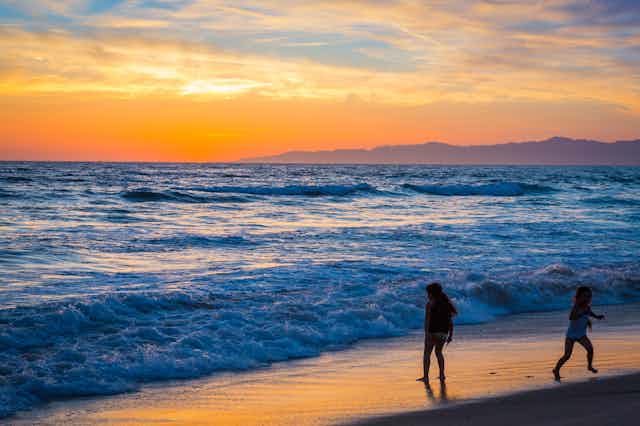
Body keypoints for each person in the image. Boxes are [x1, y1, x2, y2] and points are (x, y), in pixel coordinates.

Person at [553, 286, 605, 380]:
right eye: (584, 296)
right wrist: (581, 314)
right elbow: (571, 317)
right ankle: (556, 369)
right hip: (571, 335)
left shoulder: (587, 307)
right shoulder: (576, 307)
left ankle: (589, 366)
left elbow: (590, 313)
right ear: (579, 297)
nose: (587, 298)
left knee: (590, 349)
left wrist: (597, 317)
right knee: (567, 355)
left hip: (581, 335)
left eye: (589, 296)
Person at [417, 282, 457, 382]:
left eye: (428, 293)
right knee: (439, 353)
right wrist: (450, 335)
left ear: (431, 293)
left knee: (427, 354)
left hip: (432, 332)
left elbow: (427, 320)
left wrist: (426, 334)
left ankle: (426, 377)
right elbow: (450, 322)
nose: (427, 295)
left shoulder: (430, 304)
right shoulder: (446, 304)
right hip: (444, 333)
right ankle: (442, 375)